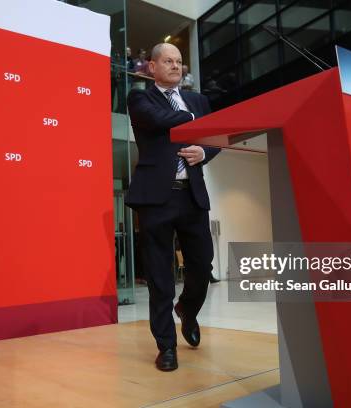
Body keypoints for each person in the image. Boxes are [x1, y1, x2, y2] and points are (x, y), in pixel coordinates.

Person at [125, 43, 220, 371]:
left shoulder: (198, 98)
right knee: (159, 275)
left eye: (180, 62)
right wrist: (196, 120)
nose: (176, 66)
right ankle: (166, 346)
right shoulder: (140, 98)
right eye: (168, 61)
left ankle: (188, 310)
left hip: (191, 195)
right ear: (151, 66)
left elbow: (215, 137)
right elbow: (160, 119)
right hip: (155, 198)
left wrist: (204, 153)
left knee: (202, 265)